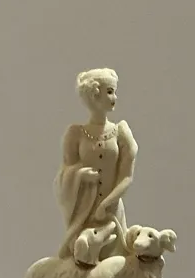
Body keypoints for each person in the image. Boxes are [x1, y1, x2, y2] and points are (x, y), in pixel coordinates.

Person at [56, 68, 137, 261]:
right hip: (84, 212)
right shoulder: (75, 134)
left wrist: (107, 204)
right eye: (109, 92)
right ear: (94, 95)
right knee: (82, 257)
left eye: (114, 92)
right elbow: (64, 173)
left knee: (115, 259)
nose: (114, 97)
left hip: (111, 213)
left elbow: (126, 177)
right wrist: (79, 174)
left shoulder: (120, 132)